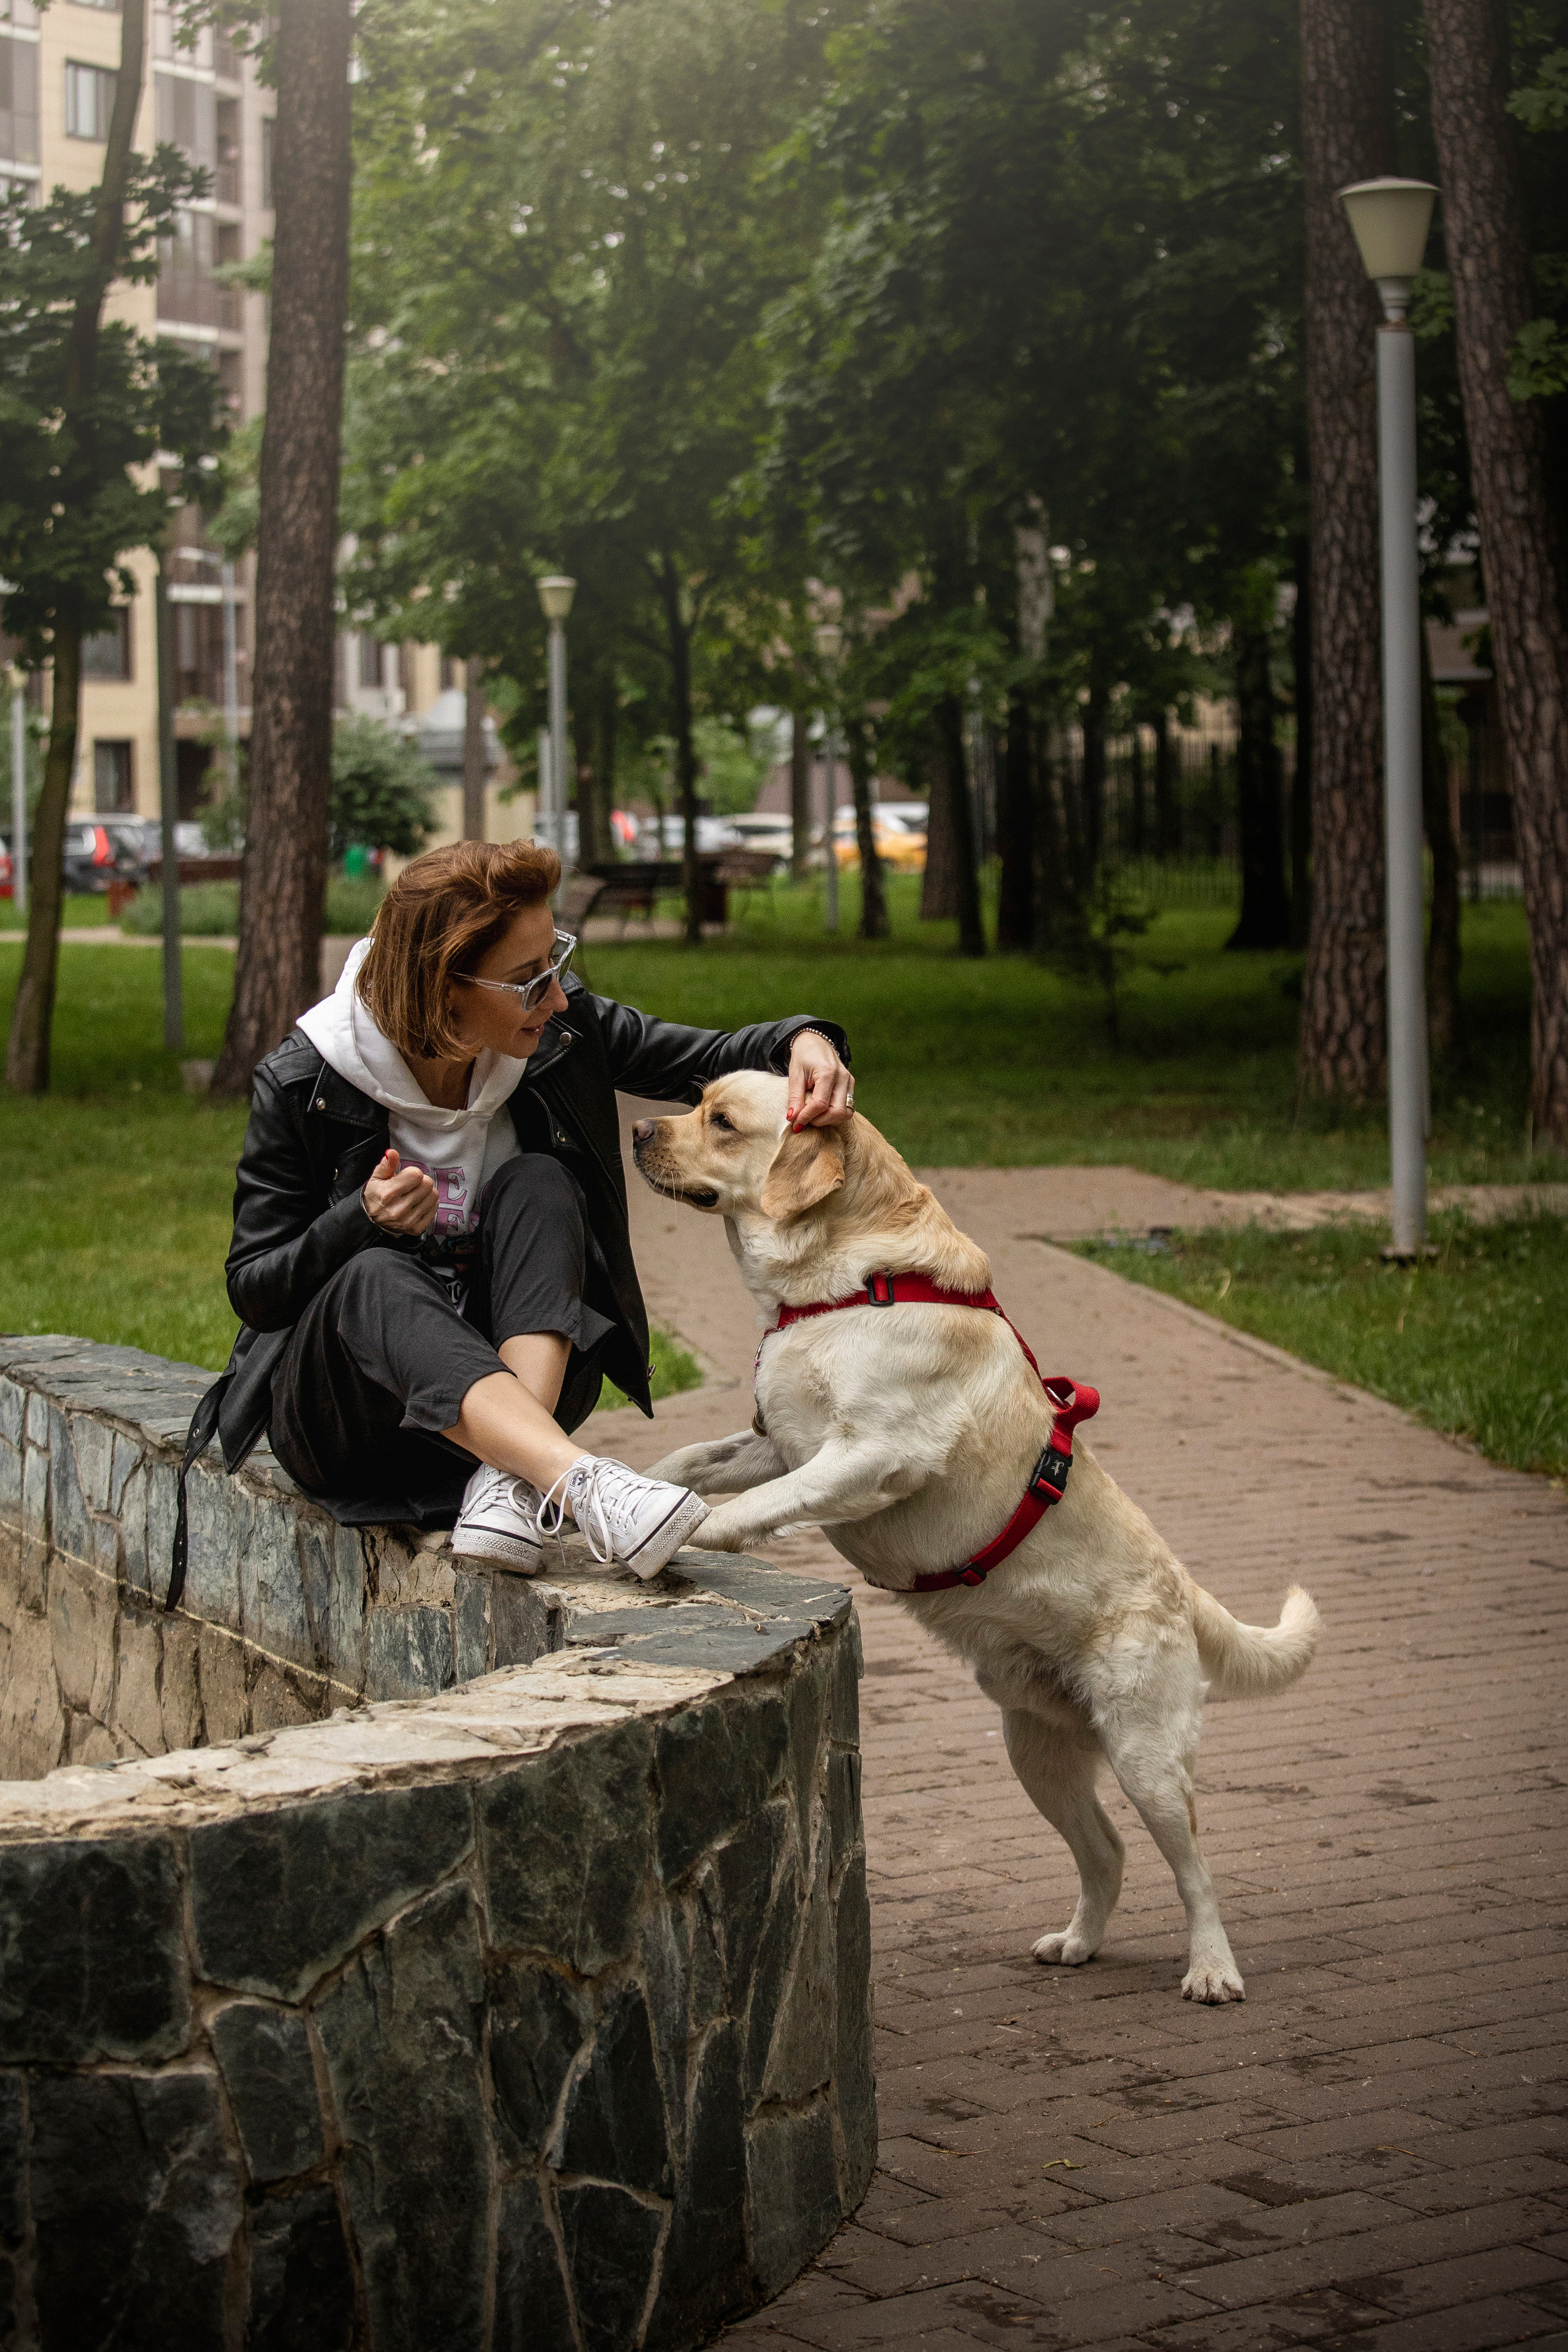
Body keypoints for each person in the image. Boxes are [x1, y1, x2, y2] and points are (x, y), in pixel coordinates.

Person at [173, 837, 851, 1596]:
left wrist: (808, 1041)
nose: (556, 999)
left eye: (555, 962)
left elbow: (714, 1054)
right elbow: (255, 1289)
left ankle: (510, 1478)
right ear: (443, 987)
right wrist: (360, 1218)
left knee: (541, 1182)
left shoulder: (556, 1034)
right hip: (355, 1422)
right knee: (373, 1272)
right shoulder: (307, 1079)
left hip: (510, 1401)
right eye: (529, 981)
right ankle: (577, 1482)